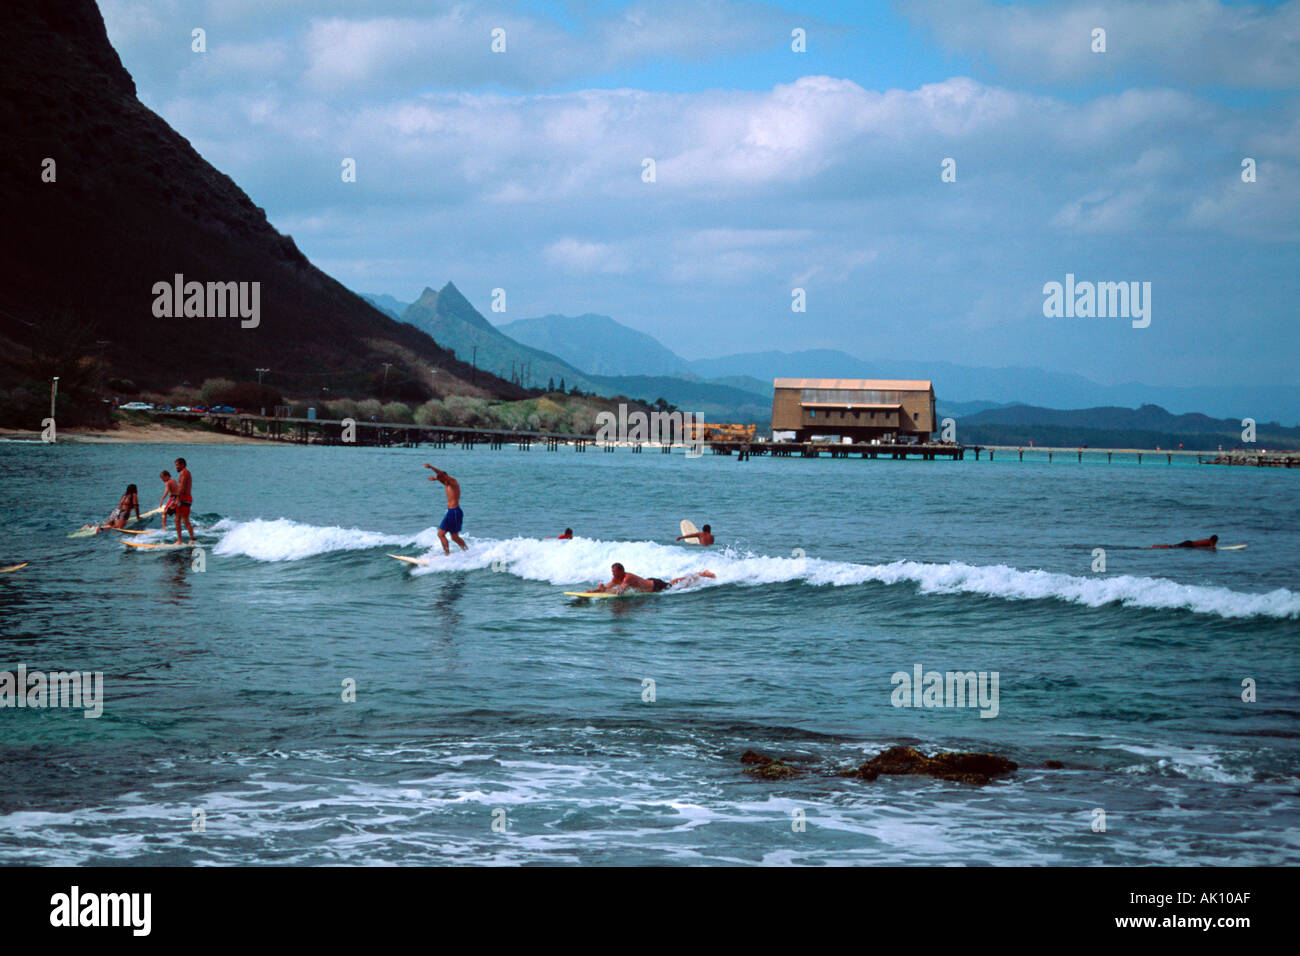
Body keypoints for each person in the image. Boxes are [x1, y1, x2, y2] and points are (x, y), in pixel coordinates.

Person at [594, 563, 716, 594]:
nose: (613, 574)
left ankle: (701, 574)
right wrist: (600, 589)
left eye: (614, 572)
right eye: (612, 572)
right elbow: (608, 588)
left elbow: (620, 592)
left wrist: (605, 591)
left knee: (679, 586)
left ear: (621, 571)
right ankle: (699, 574)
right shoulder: (616, 578)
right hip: (650, 582)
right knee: (672, 583)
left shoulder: (627, 577)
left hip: (656, 586)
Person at [425, 464, 466, 553]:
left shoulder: (453, 481)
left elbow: (442, 475)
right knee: (440, 534)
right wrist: (436, 479)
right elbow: (441, 478)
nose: (441, 480)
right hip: (449, 512)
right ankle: (447, 554)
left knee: (454, 537)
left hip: (455, 512)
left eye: (442, 478)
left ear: (446, 476)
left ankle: (467, 551)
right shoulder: (447, 484)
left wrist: (431, 467)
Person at [172, 457, 195, 544]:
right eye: (176, 465)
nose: (176, 467)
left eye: (177, 465)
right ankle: (192, 539)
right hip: (186, 498)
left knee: (177, 519)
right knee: (185, 519)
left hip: (183, 498)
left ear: (183, 465)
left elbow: (182, 487)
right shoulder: (185, 472)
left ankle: (179, 540)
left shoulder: (184, 473)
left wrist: (177, 499)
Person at [1151, 535, 1218, 550]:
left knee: (1173, 546)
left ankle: (1156, 546)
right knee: (1172, 547)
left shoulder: (1207, 539)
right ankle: (1156, 546)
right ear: (1214, 540)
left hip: (1189, 542)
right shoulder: (1210, 542)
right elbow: (1212, 548)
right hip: (1189, 545)